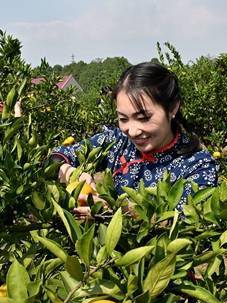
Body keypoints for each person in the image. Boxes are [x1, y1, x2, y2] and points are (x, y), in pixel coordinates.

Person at [50, 62, 218, 215]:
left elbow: (185, 217)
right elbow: (53, 158)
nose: (132, 131)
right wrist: (67, 170)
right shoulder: (116, 142)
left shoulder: (198, 165)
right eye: (123, 119)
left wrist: (116, 212)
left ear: (173, 108)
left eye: (144, 118)